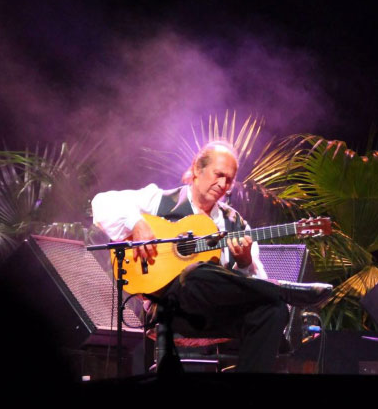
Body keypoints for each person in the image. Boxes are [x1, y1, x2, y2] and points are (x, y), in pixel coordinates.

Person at [92, 140, 330, 373]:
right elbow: (102, 203)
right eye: (218, 174)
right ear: (197, 169)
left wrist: (245, 261)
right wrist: (138, 224)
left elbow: (252, 283)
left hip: (217, 314)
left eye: (229, 179)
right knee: (194, 273)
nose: (223, 184)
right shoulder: (160, 200)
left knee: (275, 310)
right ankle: (284, 290)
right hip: (172, 310)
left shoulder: (236, 223)